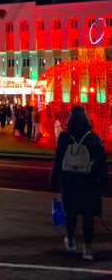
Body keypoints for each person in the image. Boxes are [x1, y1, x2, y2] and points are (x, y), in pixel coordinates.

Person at [50, 106, 107, 260]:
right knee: (88, 216)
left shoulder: (64, 138)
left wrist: (54, 180)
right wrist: (103, 181)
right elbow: (101, 162)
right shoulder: (93, 138)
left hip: (69, 181)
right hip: (89, 182)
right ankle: (87, 249)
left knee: (71, 213)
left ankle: (70, 240)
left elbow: (58, 161)